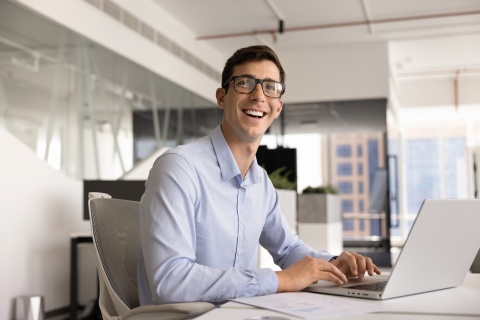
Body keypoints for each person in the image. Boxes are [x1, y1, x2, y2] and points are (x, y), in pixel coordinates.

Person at [137, 45, 381, 305]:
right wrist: (281, 280)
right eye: (244, 83)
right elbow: (171, 283)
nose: (258, 95)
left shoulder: (260, 182)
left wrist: (333, 265)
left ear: (278, 107)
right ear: (221, 97)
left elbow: (288, 249)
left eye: (270, 87)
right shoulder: (179, 168)